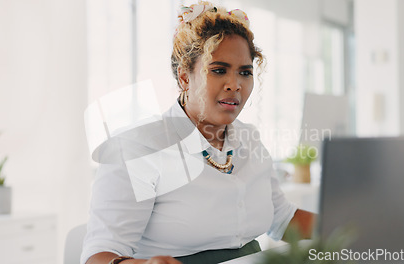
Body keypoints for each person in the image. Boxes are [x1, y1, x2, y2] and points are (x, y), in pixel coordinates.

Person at [82, 2, 315, 264]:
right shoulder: (137, 148)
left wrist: (353, 224)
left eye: (245, 72)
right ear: (184, 77)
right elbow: (99, 254)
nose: (234, 85)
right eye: (218, 70)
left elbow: (282, 218)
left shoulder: (250, 140)